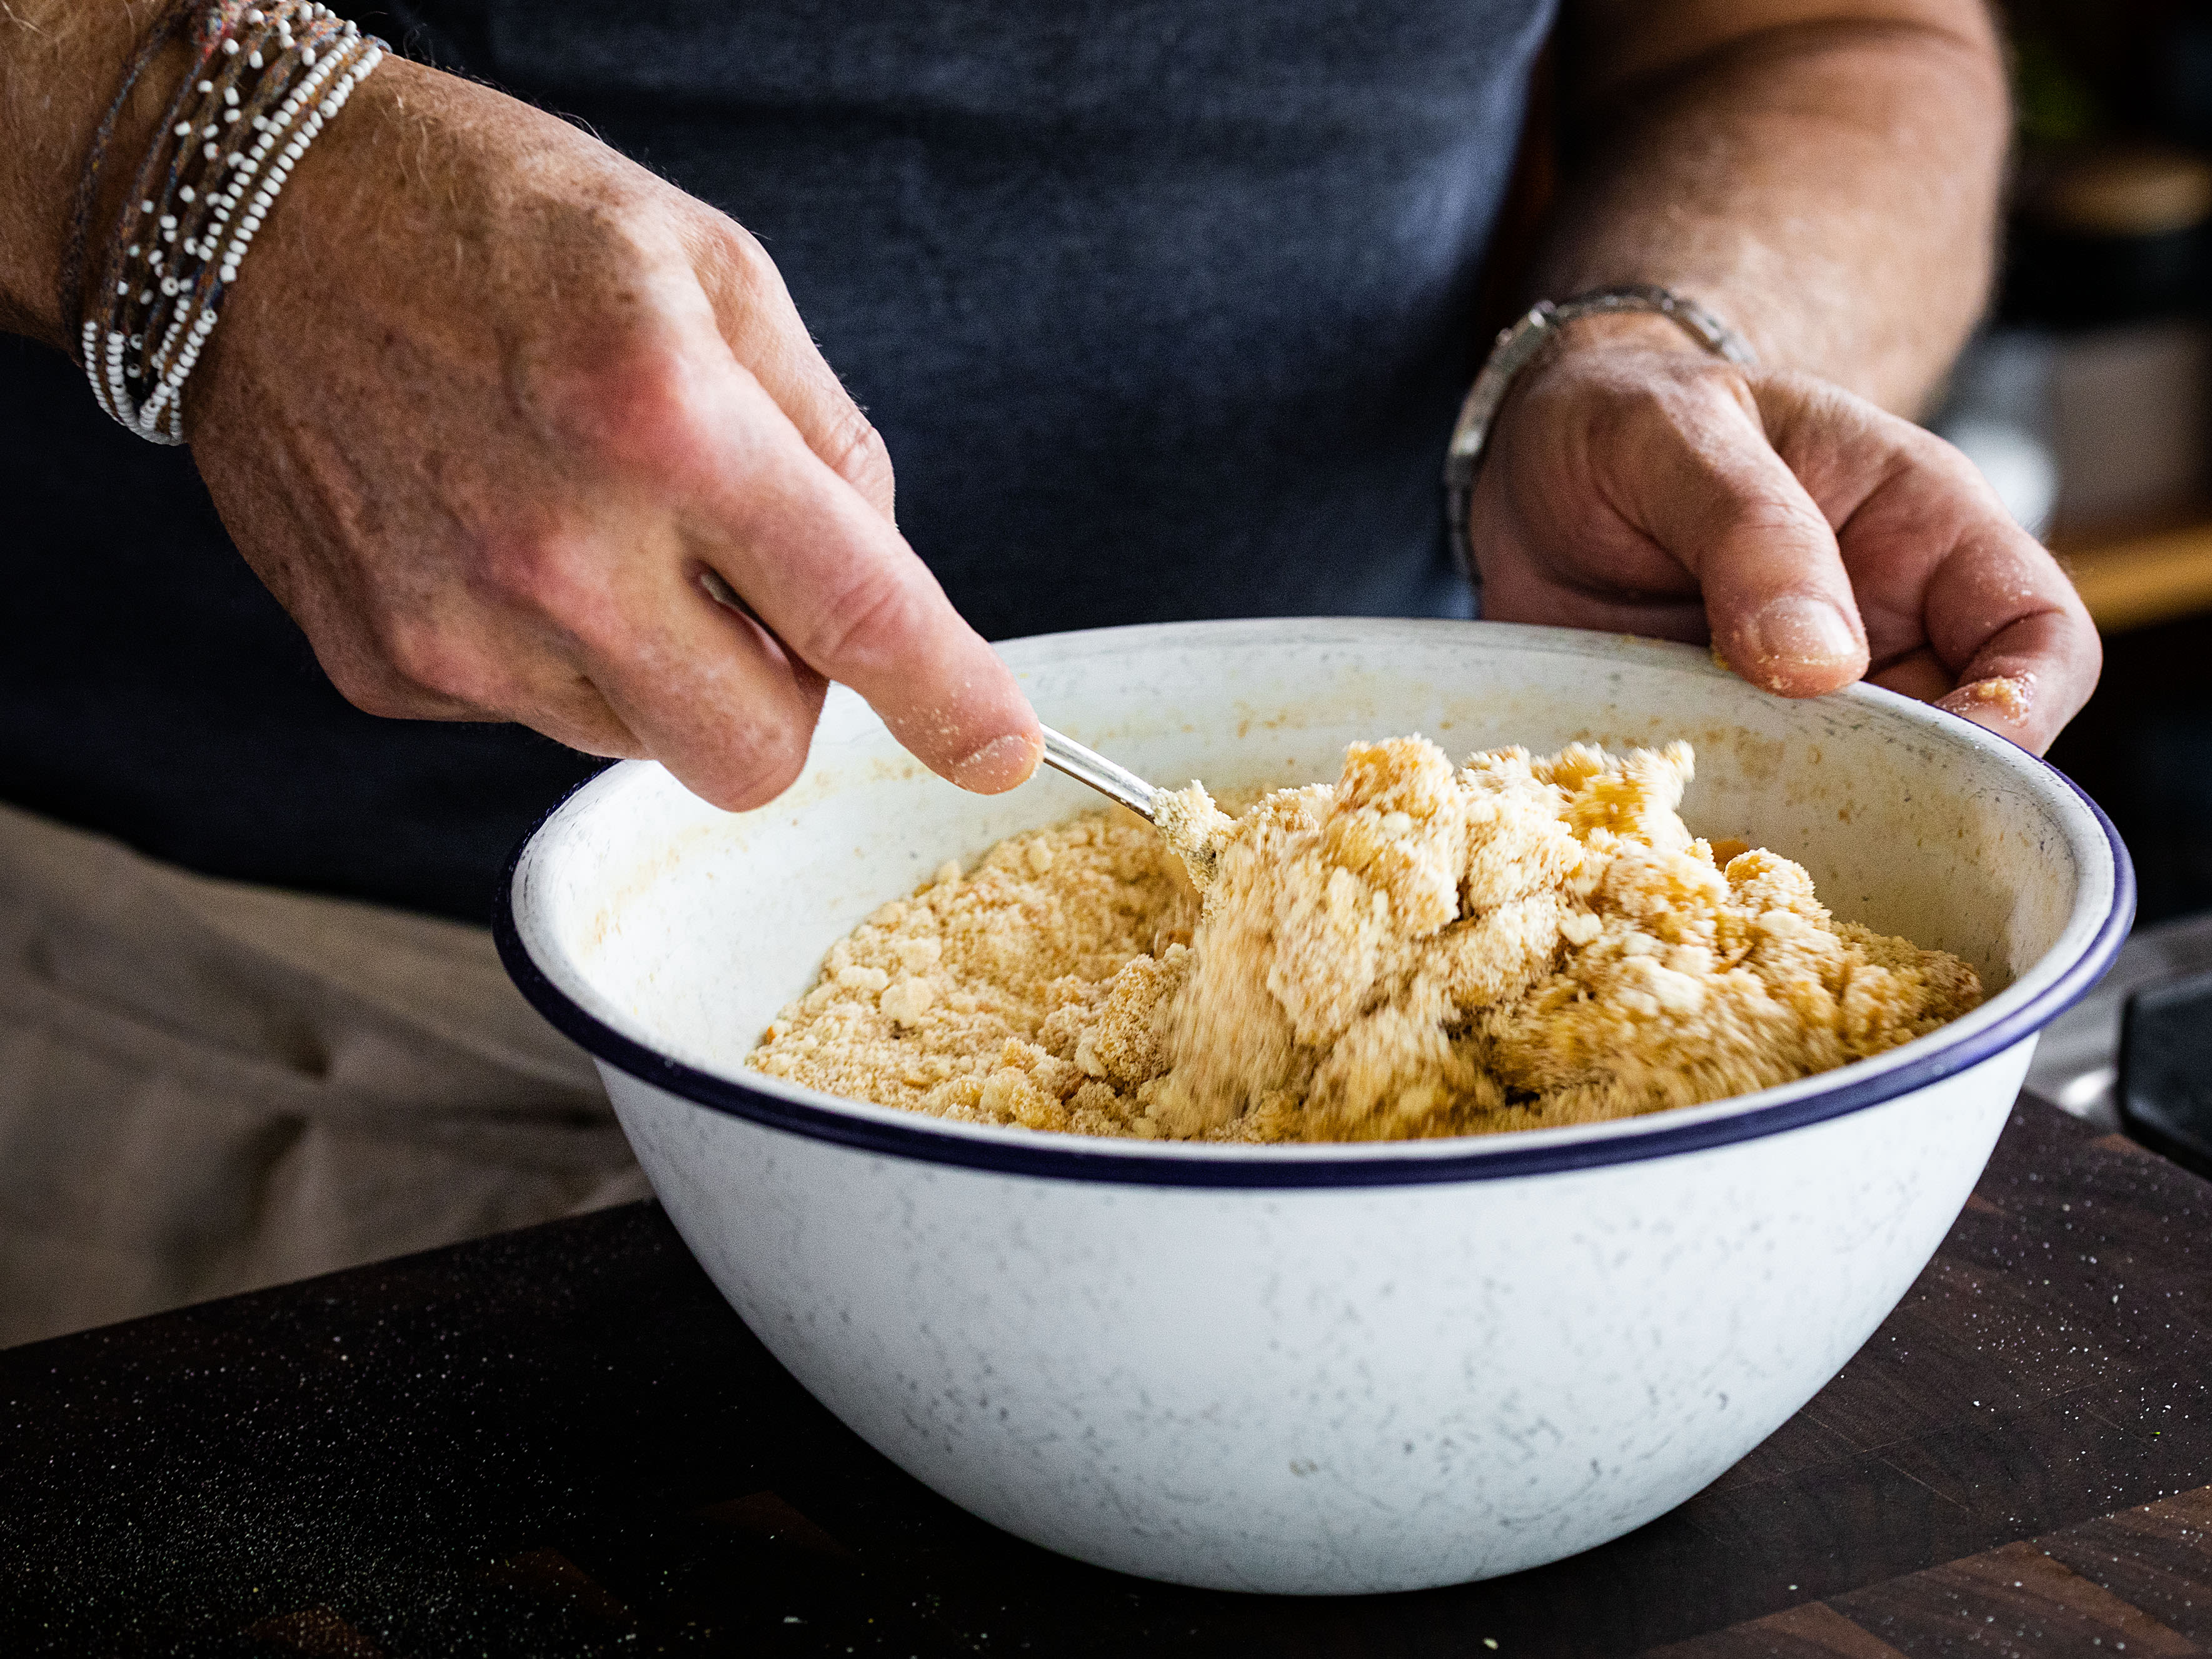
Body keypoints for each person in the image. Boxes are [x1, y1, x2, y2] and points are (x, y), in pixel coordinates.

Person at [0, 0, 2098, 1346]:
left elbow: (1836, 38)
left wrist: (1654, 338)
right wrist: (190, 179)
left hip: (1420, 1202)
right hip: (244, 1053)